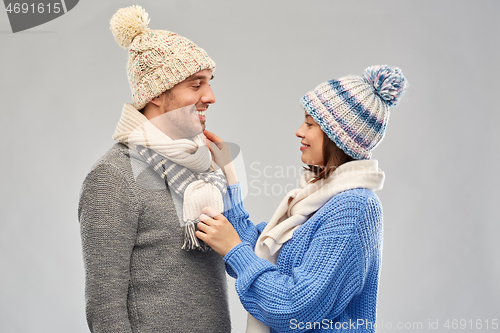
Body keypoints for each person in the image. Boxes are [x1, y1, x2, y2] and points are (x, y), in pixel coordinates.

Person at [197, 65, 408, 332]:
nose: (299, 131)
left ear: (336, 136)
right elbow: (262, 254)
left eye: (309, 123)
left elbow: (295, 307)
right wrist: (229, 175)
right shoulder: (317, 197)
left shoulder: (353, 207)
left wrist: (234, 251)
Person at [78, 6, 231, 332]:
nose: (211, 96)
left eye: (210, 82)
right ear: (157, 94)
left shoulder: (205, 169)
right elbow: (104, 308)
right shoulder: (112, 177)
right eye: (196, 85)